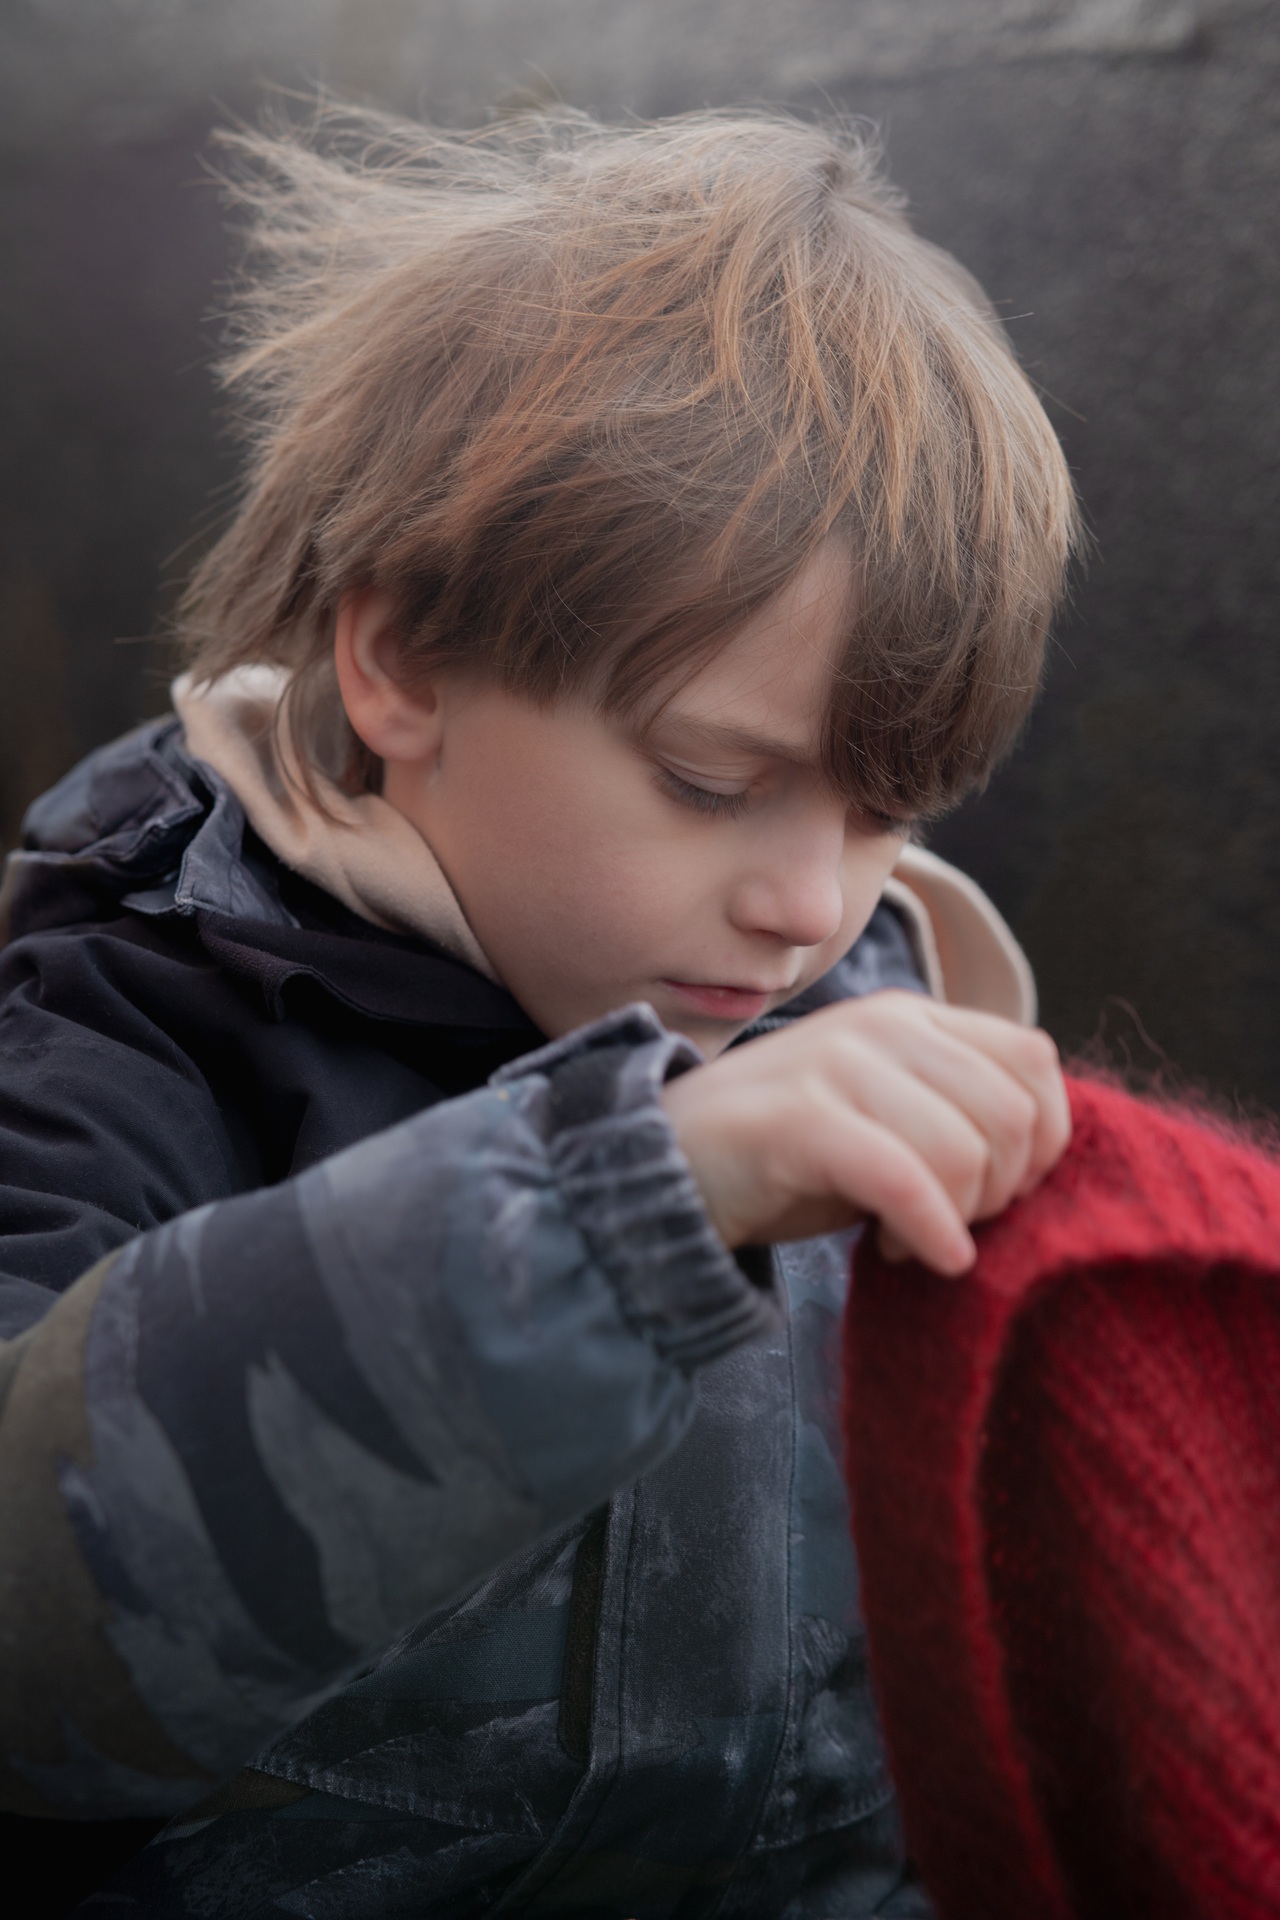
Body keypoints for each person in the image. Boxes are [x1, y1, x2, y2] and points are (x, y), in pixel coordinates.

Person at [0, 104, 1075, 1915]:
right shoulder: (127, 1023)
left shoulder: (880, 982)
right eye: (713, 783)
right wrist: (617, 1207)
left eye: (886, 812)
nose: (811, 906)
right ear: (402, 663)